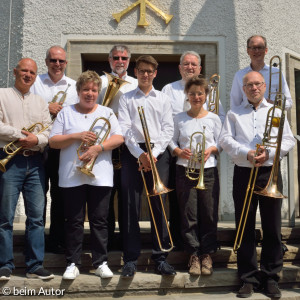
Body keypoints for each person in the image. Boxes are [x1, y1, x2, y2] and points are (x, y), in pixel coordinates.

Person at [219, 71, 295, 298]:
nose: (253, 88)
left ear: (264, 86)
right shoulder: (234, 113)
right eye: (249, 85)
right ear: (243, 89)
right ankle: (248, 279)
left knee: (273, 227)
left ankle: (271, 278)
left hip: (269, 172)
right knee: (245, 226)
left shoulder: (277, 112)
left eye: (257, 84)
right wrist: (246, 152)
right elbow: (225, 139)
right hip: (244, 172)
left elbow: (289, 139)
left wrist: (269, 152)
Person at [49, 70, 123, 279]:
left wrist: (97, 148)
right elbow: (54, 141)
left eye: (93, 89)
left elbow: (118, 138)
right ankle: (72, 262)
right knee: (73, 220)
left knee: (100, 220)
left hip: (100, 175)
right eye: (85, 89)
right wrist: (75, 136)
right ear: (79, 91)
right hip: (72, 175)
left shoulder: (107, 112)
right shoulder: (66, 113)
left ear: (98, 91)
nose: (89, 93)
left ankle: (101, 262)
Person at [118, 55, 176, 277]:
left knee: (158, 205)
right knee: (131, 205)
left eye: (149, 71)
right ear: (135, 71)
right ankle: (130, 259)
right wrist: (140, 154)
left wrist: (154, 153)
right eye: (141, 71)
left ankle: (160, 257)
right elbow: (125, 129)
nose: (145, 75)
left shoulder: (163, 99)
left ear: (155, 73)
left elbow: (167, 129)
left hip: (157, 152)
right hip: (133, 153)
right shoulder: (126, 98)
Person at [162, 50, 225, 250]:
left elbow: (221, 129)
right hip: (180, 160)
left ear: (199, 68)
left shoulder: (211, 100)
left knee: (207, 209)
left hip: (206, 165)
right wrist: (178, 151)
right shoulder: (168, 89)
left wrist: (213, 148)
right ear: (180, 68)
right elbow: (167, 129)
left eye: (194, 64)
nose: (190, 67)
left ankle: (205, 250)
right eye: (186, 64)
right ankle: (186, 246)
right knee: (183, 206)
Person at [0, 58, 53, 280]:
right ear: (15, 71)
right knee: (5, 217)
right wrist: (22, 136)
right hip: (9, 160)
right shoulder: (2, 94)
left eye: (32, 72)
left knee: (36, 218)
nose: (28, 75)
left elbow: (48, 131)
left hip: (35, 163)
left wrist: (37, 139)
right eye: (24, 71)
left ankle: (34, 265)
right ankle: (4, 264)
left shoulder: (40, 101)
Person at [169, 76, 222, 276]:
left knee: (208, 213)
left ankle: (207, 254)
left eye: (200, 93)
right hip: (185, 170)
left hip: (207, 171)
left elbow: (221, 142)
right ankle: (192, 254)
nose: (196, 97)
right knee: (188, 214)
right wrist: (179, 152)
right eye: (192, 94)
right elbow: (170, 141)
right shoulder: (179, 118)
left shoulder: (214, 118)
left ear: (206, 95)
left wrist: (211, 149)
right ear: (187, 96)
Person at [31, 45, 78, 254]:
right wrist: (46, 107)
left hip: (62, 148)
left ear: (66, 63)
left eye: (61, 61)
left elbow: (78, 115)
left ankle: (56, 240)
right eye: (53, 60)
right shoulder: (35, 83)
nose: (57, 64)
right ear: (46, 62)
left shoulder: (74, 86)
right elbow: (26, 108)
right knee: (37, 196)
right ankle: (36, 242)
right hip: (38, 147)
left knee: (60, 196)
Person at [98, 45, 138, 249]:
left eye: (124, 57)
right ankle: (107, 238)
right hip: (105, 142)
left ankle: (126, 238)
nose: (120, 61)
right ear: (109, 59)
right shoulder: (101, 81)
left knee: (126, 192)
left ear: (129, 61)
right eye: (116, 57)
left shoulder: (136, 83)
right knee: (106, 191)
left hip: (127, 145)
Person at [230, 35, 292, 110]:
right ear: (247, 51)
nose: (257, 51)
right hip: (248, 119)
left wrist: (274, 104)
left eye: (260, 47)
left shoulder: (276, 73)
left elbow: (289, 103)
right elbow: (234, 105)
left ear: (266, 50)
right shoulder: (239, 75)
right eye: (253, 48)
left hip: (271, 119)